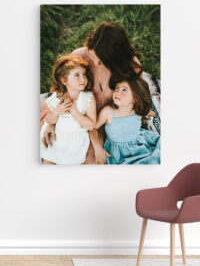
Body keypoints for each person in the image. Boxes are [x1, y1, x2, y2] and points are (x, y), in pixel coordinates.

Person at [41, 21, 160, 164]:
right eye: (92, 56)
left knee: (93, 166)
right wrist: (52, 124)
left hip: (106, 126)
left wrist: (140, 109)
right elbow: (62, 92)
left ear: (115, 57)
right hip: (79, 123)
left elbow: (137, 94)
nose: (95, 63)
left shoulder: (130, 66)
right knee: (53, 157)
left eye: (101, 60)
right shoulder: (79, 58)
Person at [40, 54, 96, 164]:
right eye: (77, 75)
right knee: (47, 165)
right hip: (55, 143)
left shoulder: (87, 98)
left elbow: (91, 125)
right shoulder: (57, 97)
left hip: (74, 146)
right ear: (64, 80)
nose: (83, 79)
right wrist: (56, 112)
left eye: (84, 74)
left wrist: (74, 111)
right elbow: (49, 120)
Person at [90, 77, 160, 164]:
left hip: (138, 145)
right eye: (117, 88)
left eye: (124, 90)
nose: (117, 92)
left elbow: (142, 109)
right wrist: (98, 148)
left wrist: (145, 112)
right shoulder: (108, 112)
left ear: (135, 99)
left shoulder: (137, 111)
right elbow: (93, 129)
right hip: (119, 153)